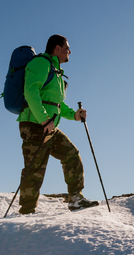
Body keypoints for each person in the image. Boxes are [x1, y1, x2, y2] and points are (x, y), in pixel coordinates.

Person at [16, 34, 98, 214]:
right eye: (67, 47)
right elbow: (31, 92)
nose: (70, 51)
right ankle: (26, 212)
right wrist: (44, 119)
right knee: (35, 167)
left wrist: (75, 115)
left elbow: (57, 104)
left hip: (49, 126)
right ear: (57, 48)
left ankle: (75, 198)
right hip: (34, 124)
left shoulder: (56, 71)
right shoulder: (40, 64)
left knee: (71, 154)